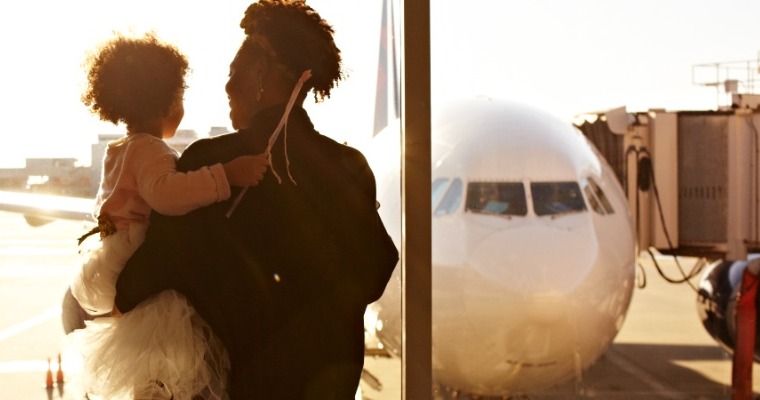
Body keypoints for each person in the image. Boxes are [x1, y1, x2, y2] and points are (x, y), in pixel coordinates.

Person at [114, 1, 399, 399]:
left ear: (261, 74)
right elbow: (376, 270)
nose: (228, 87)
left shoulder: (210, 163)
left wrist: (115, 285)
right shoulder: (349, 166)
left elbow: (152, 273)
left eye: (235, 74)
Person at [68, 32, 269, 399]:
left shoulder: (120, 149)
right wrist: (226, 175)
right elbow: (167, 196)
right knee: (172, 359)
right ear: (166, 103)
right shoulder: (151, 151)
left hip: (115, 258)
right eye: (180, 97)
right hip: (141, 263)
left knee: (150, 369)